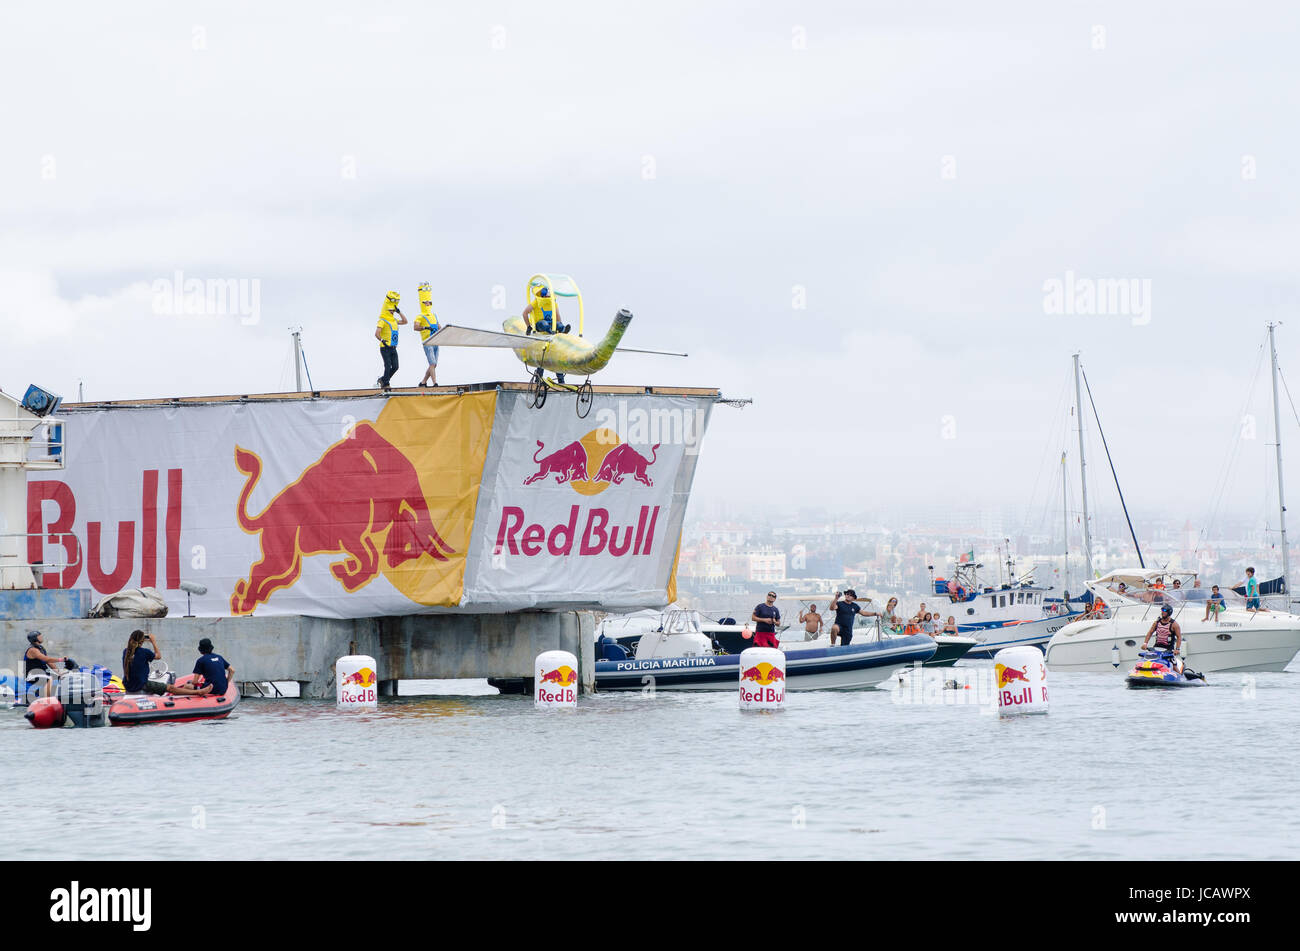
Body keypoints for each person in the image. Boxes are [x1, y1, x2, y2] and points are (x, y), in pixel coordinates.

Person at [167, 638, 234, 697]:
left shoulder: (201, 660)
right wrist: (226, 682)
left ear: (200, 650)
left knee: (187, 686)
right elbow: (232, 670)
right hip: (223, 689)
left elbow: (195, 681)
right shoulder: (219, 657)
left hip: (211, 689)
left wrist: (191, 682)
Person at [374, 290, 407, 390]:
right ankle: (386, 384)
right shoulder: (382, 320)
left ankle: (383, 379)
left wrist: (399, 311)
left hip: (393, 347)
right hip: (385, 347)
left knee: (396, 367)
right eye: (390, 310)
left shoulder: (394, 320)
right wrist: (382, 340)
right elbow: (377, 334)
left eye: (393, 310)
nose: (392, 312)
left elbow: (405, 321)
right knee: (387, 366)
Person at [23, 630, 69, 698]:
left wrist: (59, 672)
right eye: (39, 636)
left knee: (61, 677)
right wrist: (61, 659)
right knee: (50, 678)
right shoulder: (32, 650)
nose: (41, 637)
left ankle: (61, 697)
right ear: (35, 638)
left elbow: (49, 662)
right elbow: (46, 659)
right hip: (32, 674)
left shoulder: (41, 648)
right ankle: (47, 699)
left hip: (42, 673)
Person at [1140, 604, 1184, 672]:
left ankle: (1180, 677)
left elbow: (1179, 637)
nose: (1162, 612)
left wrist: (1177, 649)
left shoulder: (1174, 624)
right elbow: (1150, 632)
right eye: (1162, 610)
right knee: (1146, 660)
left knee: (1174, 665)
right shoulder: (1157, 622)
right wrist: (1145, 643)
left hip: (1169, 650)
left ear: (1169, 612)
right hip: (1156, 648)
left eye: (1164, 611)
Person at [121, 629, 165, 695]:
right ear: (142, 641)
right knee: (170, 688)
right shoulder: (144, 652)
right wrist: (153, 642)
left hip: (128, 686)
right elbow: (158, 656)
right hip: (141, 684)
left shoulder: (126, 652)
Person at [414, 281, 441, 388]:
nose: (428, 304)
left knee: (434, 364)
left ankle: (423, 382)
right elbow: (415, 327)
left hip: (436, 341)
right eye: (426, 302)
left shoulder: (434, 315)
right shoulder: (419, 316)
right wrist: (425, 327)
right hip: (427, 342)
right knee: (432, 364)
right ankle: (435, 383)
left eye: (430, 302)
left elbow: (439, 326)